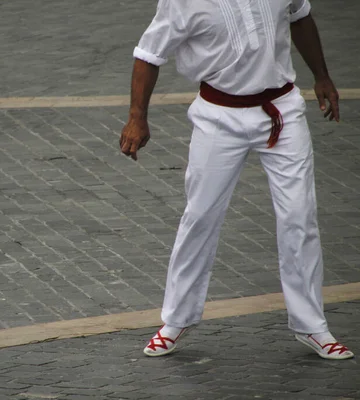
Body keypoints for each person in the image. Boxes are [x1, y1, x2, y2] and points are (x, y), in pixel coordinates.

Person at [120, 0, 354, 360]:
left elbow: (300, 15)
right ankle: (176, 319)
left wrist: (321, 76)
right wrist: (138, 117)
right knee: (200, 217)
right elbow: (148, 54)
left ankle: (312, 326)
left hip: (283, 111)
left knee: (299, 217)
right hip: (218, 117)